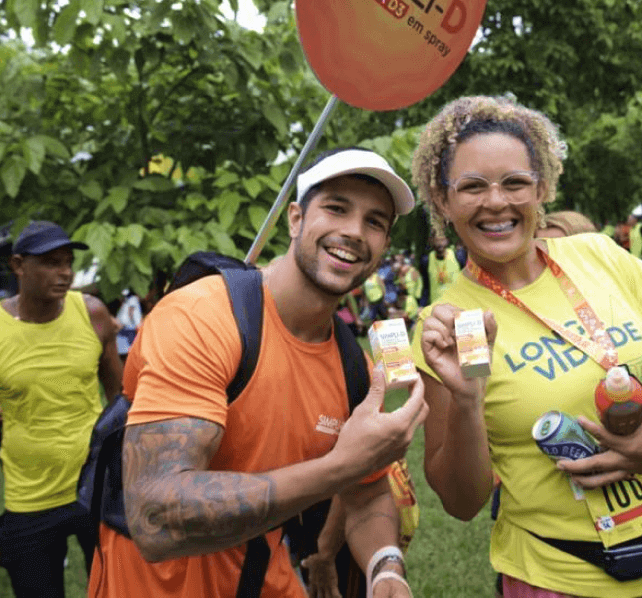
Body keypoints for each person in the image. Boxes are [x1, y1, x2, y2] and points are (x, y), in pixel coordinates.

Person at [408, 95, 642, 598]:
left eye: (515, 183)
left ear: (542, 186)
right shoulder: (447, 328)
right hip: (565, 576)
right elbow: (461, 502)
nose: (496, 202)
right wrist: (464, 399)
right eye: (472, 186)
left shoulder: (598, 255)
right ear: (442, 199)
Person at [88, 147, 428, 598]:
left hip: (266, 579)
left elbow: (366, 494)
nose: (353, 231)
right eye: (336, 208)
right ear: (294, 219)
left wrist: (387, 567)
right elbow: (155, 518)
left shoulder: (353, 369)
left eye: (375, 222)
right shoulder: (203, 318)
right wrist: (339, 467)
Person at [0, 221, 123, 598]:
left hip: (94, 489)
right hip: (30, 496)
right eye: (52, 262)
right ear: (18, 265)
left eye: (68, 262)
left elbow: (121, 396)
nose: (65, 272)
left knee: (112, 590)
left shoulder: (92, 313)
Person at [427, 235, 461, 303]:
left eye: (442, 240)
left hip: (455, 303)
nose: (439, 244)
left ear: (447, 240)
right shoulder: (427, 259)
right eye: (436, 240)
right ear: (431, 241)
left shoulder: (458, 256)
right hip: (436, 305)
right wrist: (422, 305)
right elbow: (426, 285)